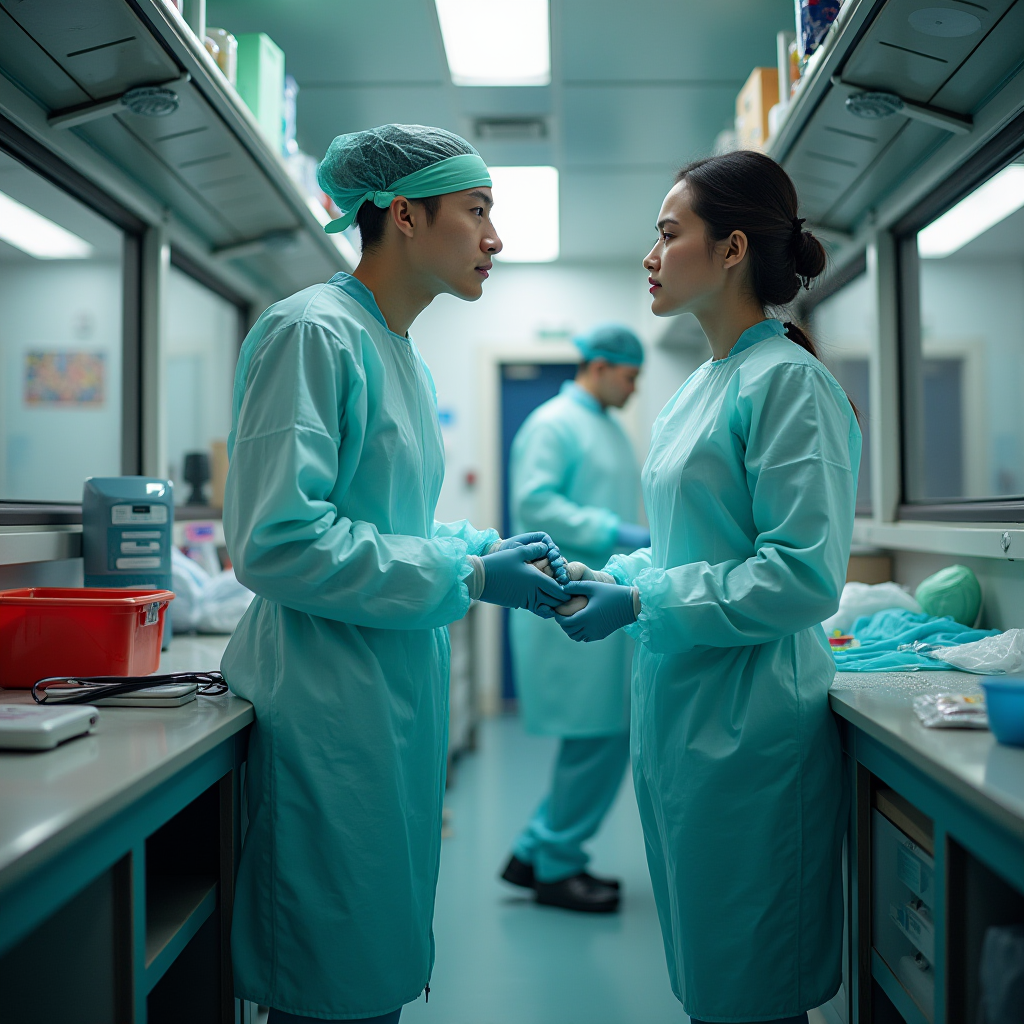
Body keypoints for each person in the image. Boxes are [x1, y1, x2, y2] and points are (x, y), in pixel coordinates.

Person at [221, 124, 569, 1024]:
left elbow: (385, 525)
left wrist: (474, 549)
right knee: (332, 976)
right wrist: (470, 579)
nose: (495, 238)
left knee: (371, 957)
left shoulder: (397, 351)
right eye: (478, 210)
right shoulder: (312, 332)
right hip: (324, 699)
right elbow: (278, 542)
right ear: (405, 215)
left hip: (381, 694)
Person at [556, 150, 861, 1023]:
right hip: (683, 715)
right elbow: (688, 546)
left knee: (752, 990)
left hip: (753, 725)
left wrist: (647, 600)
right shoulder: (698, 386)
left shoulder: (791, 386)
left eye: (666, 234)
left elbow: (802, 576)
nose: (650, 256)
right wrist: (606, 575)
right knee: (713, 981)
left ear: (731, 250)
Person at [500, 324, 648, 913]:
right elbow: (535, 505)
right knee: (596, 736)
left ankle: (537, 850)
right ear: (600, 365)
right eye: (631, 376)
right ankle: (556, 866)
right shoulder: (554, 423)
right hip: (565, 600)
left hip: (598, 595)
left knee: (604, 735)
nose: (635, 389)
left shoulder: (608, 429)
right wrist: (617, 531)